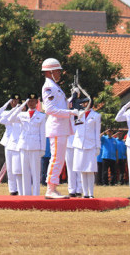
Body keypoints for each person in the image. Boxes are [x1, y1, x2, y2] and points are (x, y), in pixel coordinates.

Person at [40, 58, 79, 199]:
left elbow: (60, 106)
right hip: (57, 127)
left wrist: (72, 99)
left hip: (61, 127)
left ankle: (53, 187)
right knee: (56, 158)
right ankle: (50, 188)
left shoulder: (54, 86)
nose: (59, 73)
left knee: (59, 159)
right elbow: (50, 109)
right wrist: (71, 112)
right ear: (50, 72)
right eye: (57, 71)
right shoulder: (48, 87)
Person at [7, 93, 46, 196]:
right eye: (29, 101)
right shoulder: (21, 114)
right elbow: (10, 119)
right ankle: (26, 194)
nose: (31, 103)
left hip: (35, 146)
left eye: (33, 101)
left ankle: (36, 194)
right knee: (25, 172)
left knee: (35, 172)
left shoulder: (41, 116)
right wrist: (19, 107)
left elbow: (42, 133)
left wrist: (43, 148)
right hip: (23, 145)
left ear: (37, 102)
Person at [0, 95, 23, 195]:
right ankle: (12, 189)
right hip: (8, 142)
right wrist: (6, 105)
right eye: (13, 101)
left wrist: (19, 109)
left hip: (19, 143)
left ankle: (20, 188)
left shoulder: (22, 114)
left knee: (18, 167)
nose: (15, 102)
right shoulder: (7, 113)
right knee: (9, 167)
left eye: (17, 100)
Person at [71, 105, 101, 198]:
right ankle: (85, 193)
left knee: (90, 170)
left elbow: (97, 132)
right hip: (79, 144)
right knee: (82, 170)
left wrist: (98, 146)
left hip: (91, 145)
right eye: (83, 103)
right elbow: (74, 127)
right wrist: (77, 115)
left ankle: (91, 193)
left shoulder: (96, 115)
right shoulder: (78, 114)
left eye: (87, 102)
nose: (85, 105)